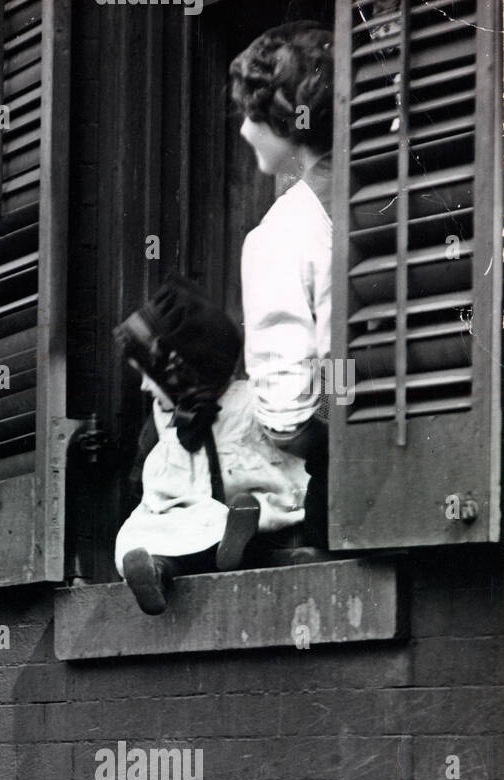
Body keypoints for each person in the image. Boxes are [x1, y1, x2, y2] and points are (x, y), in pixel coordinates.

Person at [114, 277, 306, 615]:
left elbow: (305, 419)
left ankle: (237, 545)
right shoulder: (163, 418)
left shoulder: (250, 402)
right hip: (190, 512)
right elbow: (140, 470)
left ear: (183, 373)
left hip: (246, 509)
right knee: (142, 535)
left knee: (255, 516)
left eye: (149, 376)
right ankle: (153, 570)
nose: (144, 387)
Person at [229, 20, 334, 553]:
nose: (245, 130)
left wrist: (335, 422)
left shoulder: (282, 233)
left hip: (347, 495)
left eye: (251, 113)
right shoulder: (408, 192)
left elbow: (287, 418)